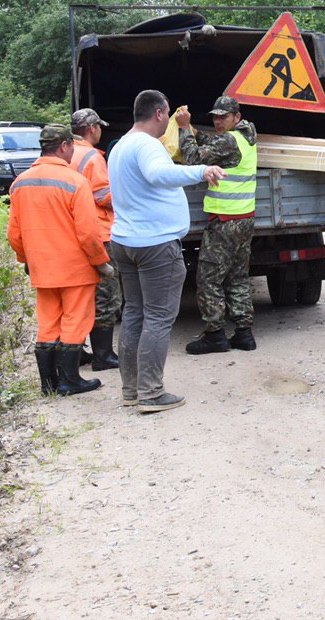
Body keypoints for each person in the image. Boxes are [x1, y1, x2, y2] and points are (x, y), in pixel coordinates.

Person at [109, 90, 225, 414]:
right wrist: (200, 171)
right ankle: (151, 392)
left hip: (126, 241)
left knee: (134, 313)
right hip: (154, 244)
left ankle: (131, 390)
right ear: (160, 114)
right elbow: (159, 175)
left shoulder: (120, 146)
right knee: (158, 318)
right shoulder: (147, 146)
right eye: (168, 117)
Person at [7, 124, 112, 397]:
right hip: (75, 268)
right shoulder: (75, 181)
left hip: (42, 268)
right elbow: (88, 233)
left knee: (48, 321)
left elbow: (14, 233)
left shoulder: (20, 182)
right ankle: (69, 380)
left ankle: (48, 384)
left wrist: (27, 260)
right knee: (76, 320)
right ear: (65, 146)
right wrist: (101, 261)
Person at [175, 96, 259, 354]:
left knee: (208, 279)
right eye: (215, 116)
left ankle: (214, 335)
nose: (218, 121)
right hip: (244, 218)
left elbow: (192, 159)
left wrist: (182, 129)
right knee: (237, 277)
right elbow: (213, 142)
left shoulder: (229, 140)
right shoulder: (245, 135)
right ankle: (244, 334)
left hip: (225, 222)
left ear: (236, 116)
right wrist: (195, 131)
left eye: (223, 116)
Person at [70, 107, 121, 371]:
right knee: (106, 295)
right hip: (98, 233)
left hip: (73, 234)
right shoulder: (91, 157)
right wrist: (125, 195)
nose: (100, 130)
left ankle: (76, 351)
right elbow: (102, 196)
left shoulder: (66, 153)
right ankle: (103, 355)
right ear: (92, 129)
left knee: (80, 295)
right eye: (99, 126)